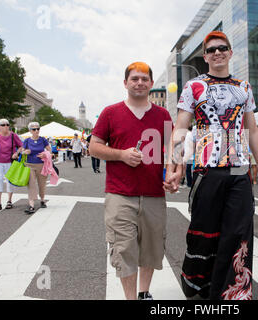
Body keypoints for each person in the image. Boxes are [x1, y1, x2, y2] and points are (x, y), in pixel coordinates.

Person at [164, 31, 258, 300]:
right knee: (205, 231)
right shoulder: (193, 87)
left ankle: (231, 294)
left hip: (238, 169)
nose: (217, 53)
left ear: (230, 52)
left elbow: (253, 131)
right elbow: (180, 128)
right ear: (205, 56)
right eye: (211, 50)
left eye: (222, 48)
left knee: (238, 233)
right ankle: (199, 284)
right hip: (207, 169)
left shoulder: (244, 87)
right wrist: (173, 166)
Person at [89, 62, 172, 300]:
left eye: (144, 79)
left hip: (155, 193)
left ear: (151, 84)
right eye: (134, 79)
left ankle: (144, 293)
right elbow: (94, 147)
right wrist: (121, 154)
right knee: (124, 249)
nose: (140, 83)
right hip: (120, 194)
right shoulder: (110, 112)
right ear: (125, 83)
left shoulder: (163, 115)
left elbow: (171, 148)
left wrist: (173, 172)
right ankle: (131, 298)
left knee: (151, 248)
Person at [0, 119, 24, 212]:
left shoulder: (13, 135)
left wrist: (16, 153)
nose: (5, 126)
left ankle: (9, 201)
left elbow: (21, 146)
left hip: (10, 161)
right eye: (3, 125)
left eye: (7, 124)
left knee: (9, 180)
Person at [22, 122, 52, 214]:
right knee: (31, 184)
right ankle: (31, 205)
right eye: (34, 129)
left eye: (38, 129)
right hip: (29, 165)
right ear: (30, 131)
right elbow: (22, 151)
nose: (36, 131)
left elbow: (49, 150)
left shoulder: (43, 140)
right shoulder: (27, 141)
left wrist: (45, 154)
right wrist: (25, 152)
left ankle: (42, 199)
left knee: (42, 184)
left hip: (42, 165)